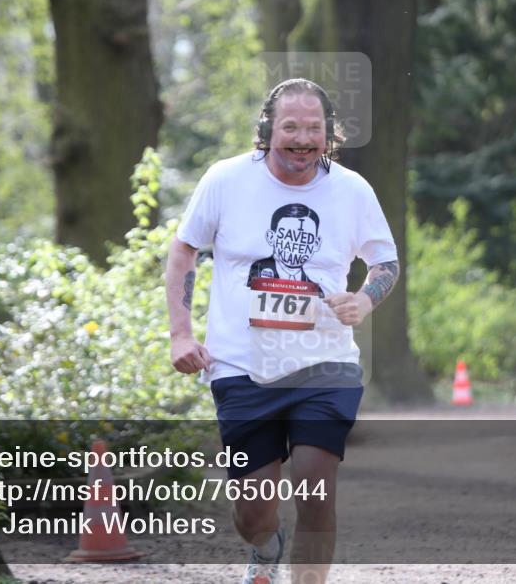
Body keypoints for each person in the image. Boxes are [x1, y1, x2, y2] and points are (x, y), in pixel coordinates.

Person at [165, 78, 400, 584]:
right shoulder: (226, 180)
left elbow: (385, 261)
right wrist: (180, 335)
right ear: (268, 129)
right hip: (241, 366)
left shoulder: (351, 190)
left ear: (329, 134)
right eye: (290, 126)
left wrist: (363, 298)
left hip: (325, 365)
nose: (302, 138)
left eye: (314, 128)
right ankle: (265, 546)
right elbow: (184, 250)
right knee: (254, 515)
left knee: (317, 492)